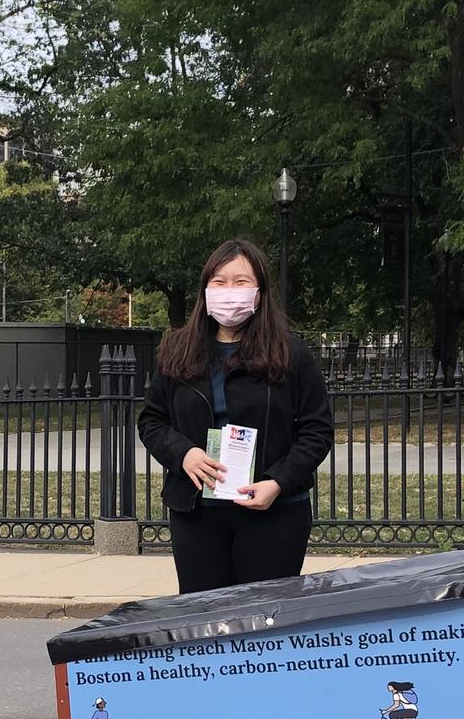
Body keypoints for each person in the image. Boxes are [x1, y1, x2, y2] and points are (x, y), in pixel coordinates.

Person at [140, 238, 334, 594]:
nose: (230, 291)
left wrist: (277, 482)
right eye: (220, 281)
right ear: (206, 289)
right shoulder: (177, 350)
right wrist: (185, 454)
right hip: (197, 510)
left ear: (259, 292)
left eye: (241, 282)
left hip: (271, 510)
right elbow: (152, 422)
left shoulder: (290, 353)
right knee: (204, 619)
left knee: (263, 622)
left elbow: (317, 431)